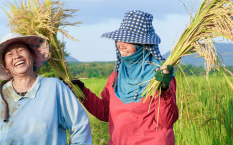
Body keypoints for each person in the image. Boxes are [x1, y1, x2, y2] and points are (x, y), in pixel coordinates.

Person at [0, 33, 92, 145]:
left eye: (20, 50)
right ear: (5, 66)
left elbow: (79, 125)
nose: (17, 56)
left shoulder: (54, 88)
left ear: (32, 56)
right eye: (10, 54)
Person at [71, 10, 178, 145]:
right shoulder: (117, 75)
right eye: (119, 39)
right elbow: (105, 112)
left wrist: (164, 90)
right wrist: (81, 92)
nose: (120, 44)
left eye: (127, 40)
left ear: (142, 45)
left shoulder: (159, 74)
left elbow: (166, 121)